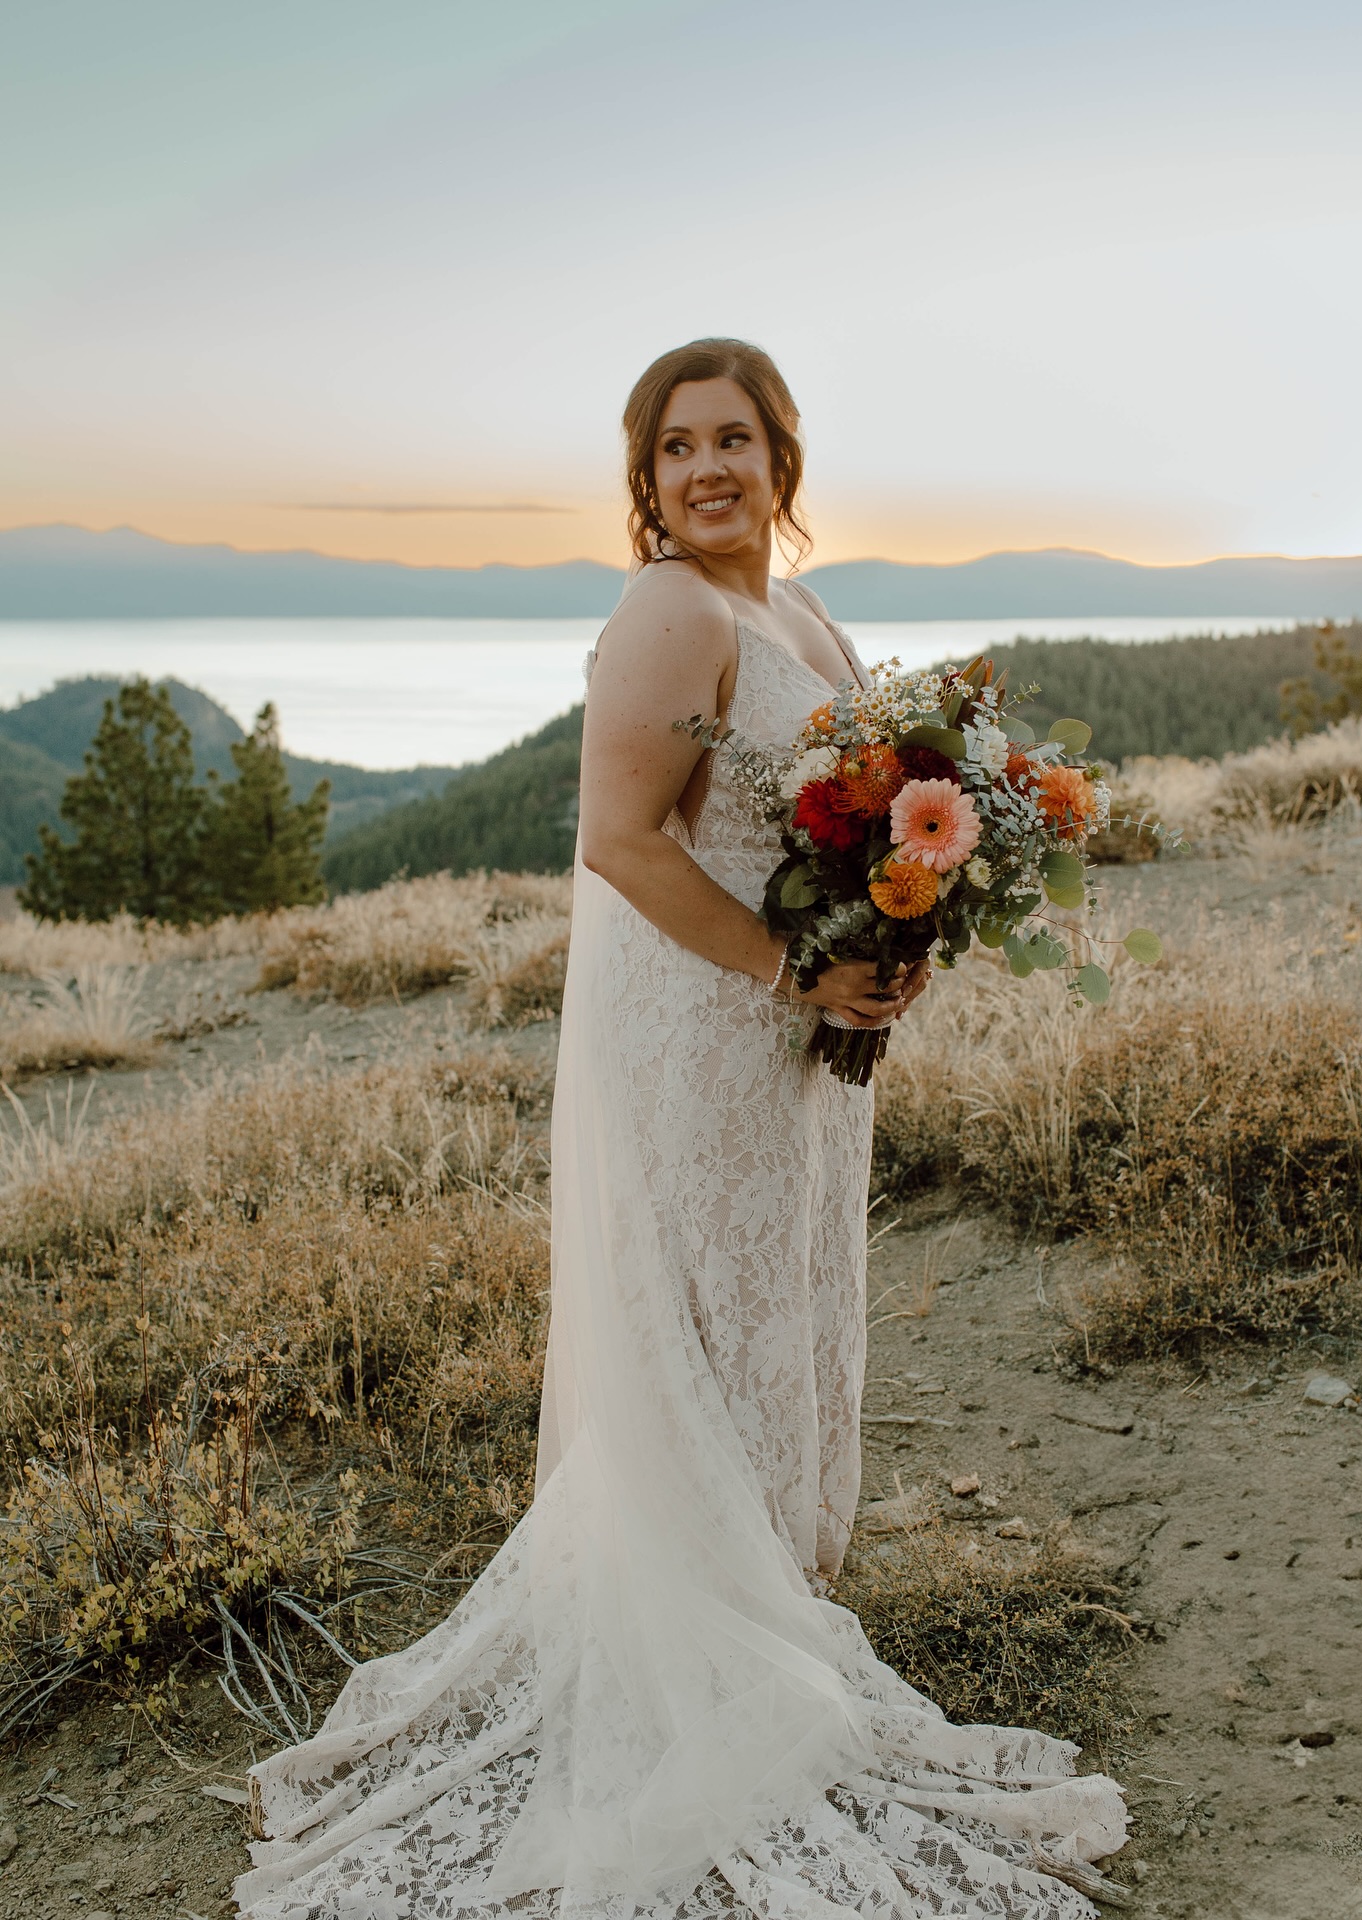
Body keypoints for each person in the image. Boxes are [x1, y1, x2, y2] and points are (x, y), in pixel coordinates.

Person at [235, 338, 1128, 1920]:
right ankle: (705, 1662)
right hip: (704, 1026)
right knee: (708, 1325)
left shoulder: (800, 610)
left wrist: (893, 936)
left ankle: (762, 1619)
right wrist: (798, 959)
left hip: (793, 1030)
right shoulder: (670, 610)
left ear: (784, 459)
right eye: (674, 449)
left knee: (782, 1304)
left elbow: (840, 812)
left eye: (734, 440)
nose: (707, 470)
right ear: (644, 485)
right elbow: (619, 843)